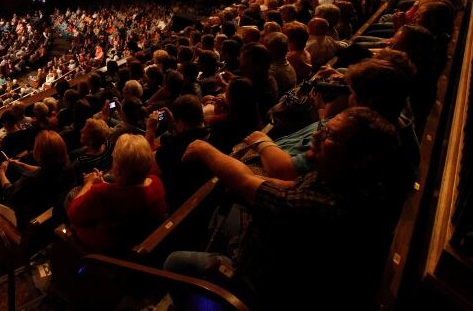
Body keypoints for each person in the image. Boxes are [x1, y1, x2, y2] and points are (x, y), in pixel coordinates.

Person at [165, 108, 401, 309]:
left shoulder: (327, 207)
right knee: (224, 213)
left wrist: (203, 149)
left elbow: (247, 184)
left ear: (358, 159)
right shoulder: (340, 179)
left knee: (174, 262)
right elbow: (279, 186)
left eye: (330, 134)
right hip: (278, 253)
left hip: (261, 286)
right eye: (324, 127)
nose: (317, 134)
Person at [67, 134, 167, 255]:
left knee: (70, 197)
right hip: (137, 236)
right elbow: (123, 192)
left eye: (114, 159)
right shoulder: (157, 182)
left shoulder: (100, 193)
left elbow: (73, 214)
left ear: (118, 170)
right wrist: (103, 184)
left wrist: (89, 184)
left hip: (109, 250)